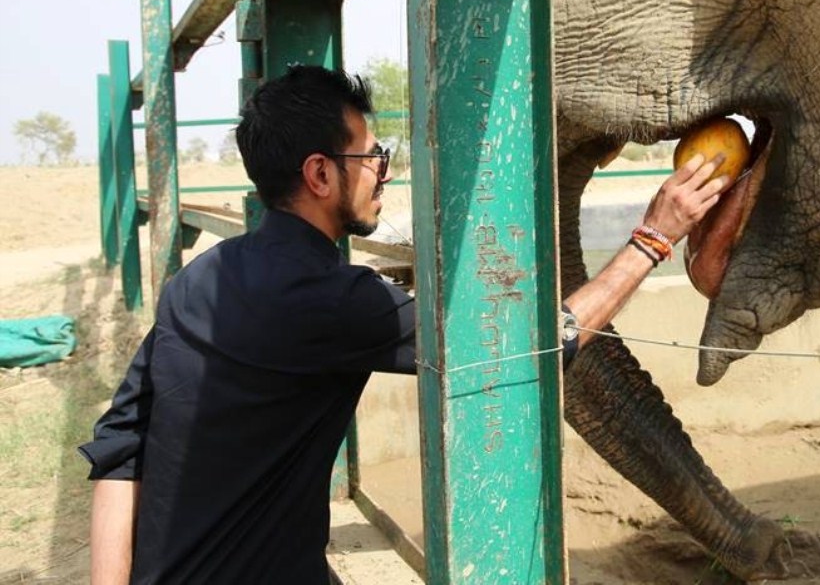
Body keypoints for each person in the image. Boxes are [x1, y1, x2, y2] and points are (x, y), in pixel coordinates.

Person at [80, 65, 731, 584]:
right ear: (319, 174)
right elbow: (537, 347)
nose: (385, 176)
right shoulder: (339, 301)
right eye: (374, 158)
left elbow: (119, 443)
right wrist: (653, 236)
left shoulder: (199, 280)